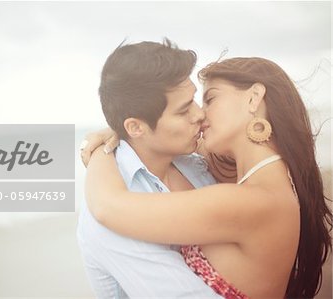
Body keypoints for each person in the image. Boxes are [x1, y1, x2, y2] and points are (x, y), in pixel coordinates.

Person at [82, 57, 332, 298]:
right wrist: (127, 130)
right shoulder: (258, 179)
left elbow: (107, 207)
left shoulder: (250, 201)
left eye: (210, 99)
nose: (201, 114)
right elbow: (162, 143)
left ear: (254, 98)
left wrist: (100, 155)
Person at [77, 39, 225, 298]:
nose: (200, 114)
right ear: (136, 127)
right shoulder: (113, 213)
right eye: (183, 111)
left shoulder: (193, 160)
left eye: (194, 100)